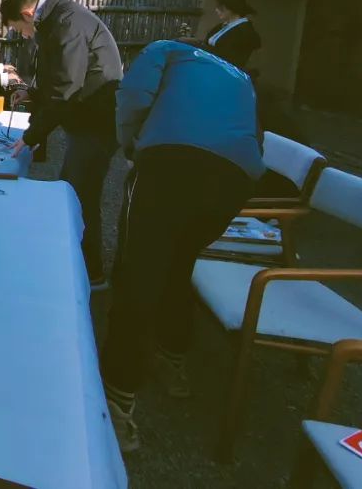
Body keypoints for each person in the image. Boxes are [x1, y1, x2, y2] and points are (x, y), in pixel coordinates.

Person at [101, 39, 264, 453]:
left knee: (140, 272)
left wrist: (130, 143)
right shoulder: (238, 74)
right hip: (234, 180)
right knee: (180, 262)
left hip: (170, 163)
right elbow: (253, 132)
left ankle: (118, 403)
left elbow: (133, 96)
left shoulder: (166, 49)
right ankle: (173, 358)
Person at [0, 0, 123, 288]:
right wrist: (35, 93)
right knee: (71, 190)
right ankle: (77, 264)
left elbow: (67, 88)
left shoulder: (67, 22)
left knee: (79, 196)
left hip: (96, 122)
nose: (25, 36)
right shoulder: (59, 18)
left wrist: (31, 136)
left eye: (20, 29)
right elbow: (62, 77)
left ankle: (91, 274)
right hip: (86, 120)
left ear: (28, 15)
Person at [204, 0, 261, 70]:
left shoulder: (244, 31)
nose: (216, 10)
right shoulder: (222, 26)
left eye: (221, 8)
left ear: (231, 7)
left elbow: (229, 56)